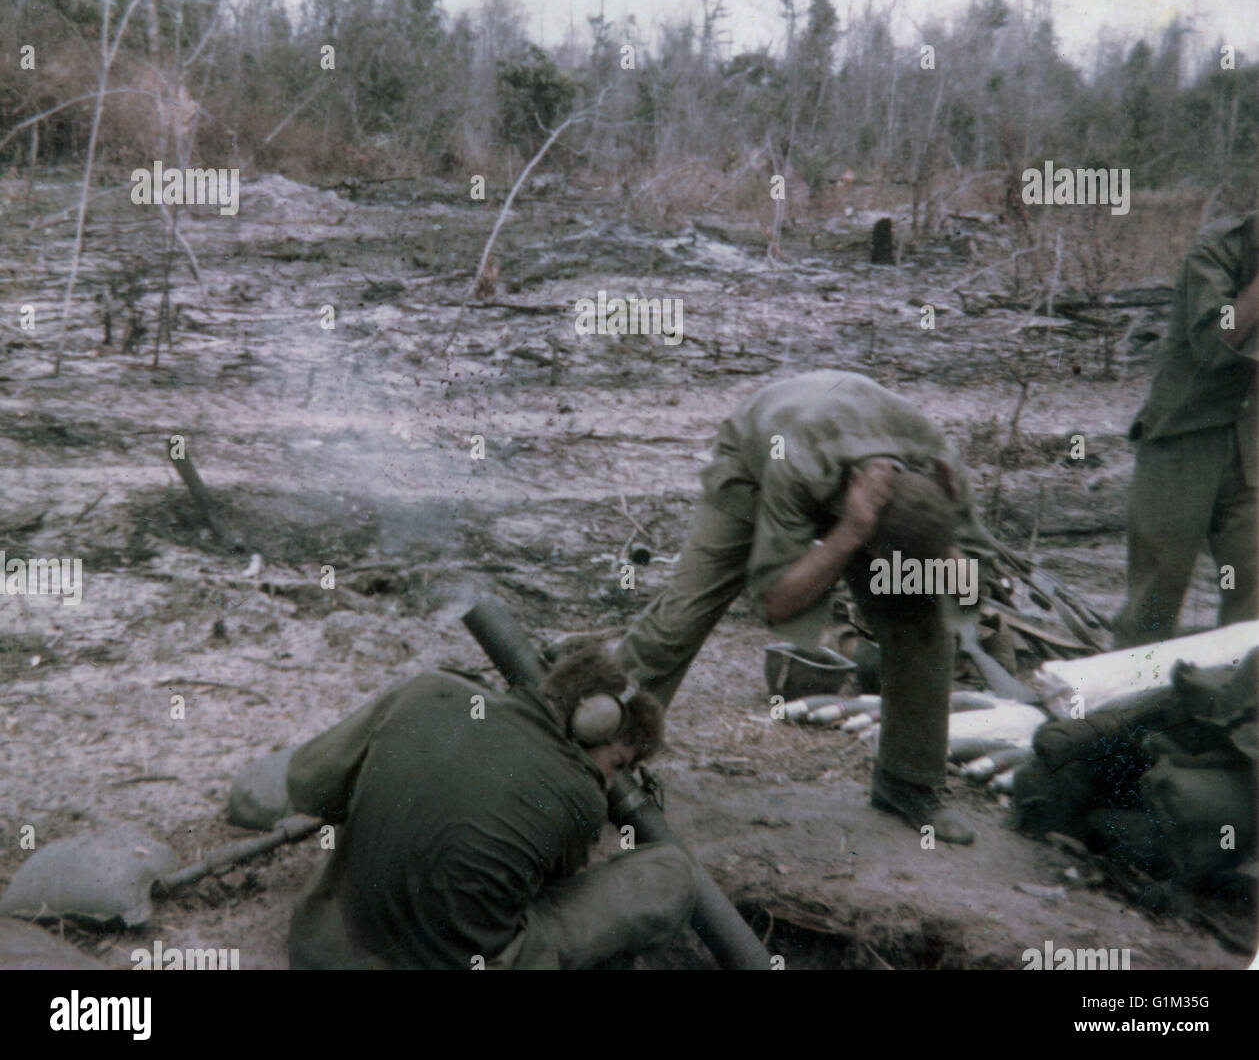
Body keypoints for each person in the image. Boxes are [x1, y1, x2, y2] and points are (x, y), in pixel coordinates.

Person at [615, 370, 1001, 846]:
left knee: (924, 620)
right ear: (874, 553)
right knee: (678, 622)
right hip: (761, 455)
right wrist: (850, 534)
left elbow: (974, 593)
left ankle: (908, 782)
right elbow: (775, 601)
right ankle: (598, 755)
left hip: (869, 477)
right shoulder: (795, 464)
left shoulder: (943, 471)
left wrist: (945, 554)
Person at [286, 644, 697, 969]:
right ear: (596, 723)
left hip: (322, 953)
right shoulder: (582, 797)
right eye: (617, 765)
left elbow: (308, 785)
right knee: (671, 873)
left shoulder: (427, 691)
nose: (608, 785)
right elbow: (545, 891)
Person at [1112, 211, 1259, 648]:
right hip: (1183, 436)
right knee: (1156, 592)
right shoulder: (1216, 249)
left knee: (1253, 591)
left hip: (1251, 443)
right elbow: (1218, 344)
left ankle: (1239, 708)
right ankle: (1128, 712)